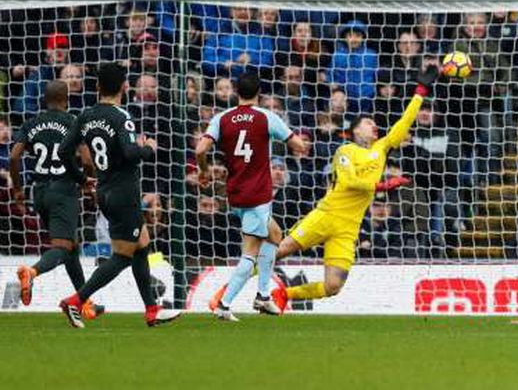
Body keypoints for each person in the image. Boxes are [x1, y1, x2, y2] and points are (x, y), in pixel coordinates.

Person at [268, 67, 440, 311]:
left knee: (332, 286)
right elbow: (350, 182)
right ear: (356, 129)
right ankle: (230, 288)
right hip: (327, 215)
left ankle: (282, 295)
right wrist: (384, 184)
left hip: (349, 227)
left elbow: (403, 124)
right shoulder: (345, 150)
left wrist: (420, 93)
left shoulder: (380, 149)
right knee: (279, 251)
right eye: (368, 123)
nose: (374, 126)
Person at [57, 63, 181, 328]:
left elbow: (64, 151)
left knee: (141, 247)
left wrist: (81, 179)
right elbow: (129, 153)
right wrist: (147, 148)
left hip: (104, 190)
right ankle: (75, 301)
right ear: (124, 87)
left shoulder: (86, 115)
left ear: (97, 87)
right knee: (122, 256)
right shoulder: (121, 116)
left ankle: (151, 310)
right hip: (124, 192)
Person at [196, 73, 309, 321]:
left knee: (275, 235)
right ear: (259, 92)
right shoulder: (267, 118)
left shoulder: (221, 119)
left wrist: (204, 171)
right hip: (257, 196)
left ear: (237, 91)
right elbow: (299, 145)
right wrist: (298, 144)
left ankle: (263, 296)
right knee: (250, 252)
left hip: (235, 193)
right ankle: (224, 305)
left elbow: (201, 148)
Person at [8, 81, 101, 319]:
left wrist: (18, 189)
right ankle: (32, 271)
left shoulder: (32, 123)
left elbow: (14, 156)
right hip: (63, 191)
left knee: (72, 246)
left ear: (45, 99)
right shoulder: (73, 122)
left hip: (39, 192)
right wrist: (87, 182)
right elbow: (88, 160)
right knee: (62, 247)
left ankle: (84, 301)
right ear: (66, 99)